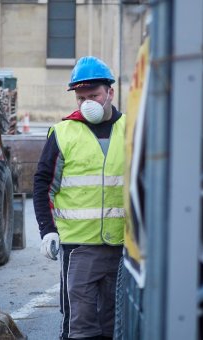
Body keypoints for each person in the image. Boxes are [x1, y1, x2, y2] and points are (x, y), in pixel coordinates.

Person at [33, 56, 125, 340]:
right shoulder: (63, 133)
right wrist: (47, 231)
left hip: (122, 246)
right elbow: (42, 184)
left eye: (94, 95)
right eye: (81, 97)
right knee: (79, 326)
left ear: (110, 92)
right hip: (78, 249)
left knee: (114, 323)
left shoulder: (132, 131)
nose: (88, 103)